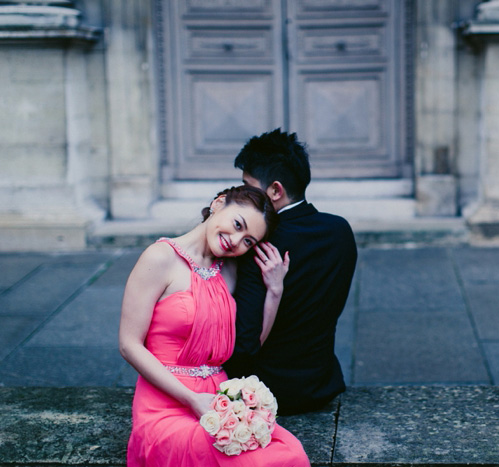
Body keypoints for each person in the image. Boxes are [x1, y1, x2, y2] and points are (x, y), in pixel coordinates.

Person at [119, 185, 310, 466]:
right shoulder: (159, 258)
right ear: (219, 203)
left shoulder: (230, 270)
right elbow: (128, 344)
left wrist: (275, 291)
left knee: (290, 450)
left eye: (248, 241)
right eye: (237, 225)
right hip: (165, 403)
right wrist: (191, 399)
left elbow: (250, 344)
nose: (235, 241)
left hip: (221, 400)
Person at [223, 129, 358, 416]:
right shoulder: (340, 232)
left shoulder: (259, 244)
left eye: (247, 186)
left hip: (264, 394)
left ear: (275, 190)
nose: (242, 194)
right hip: (321, 385)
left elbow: (244, 344)